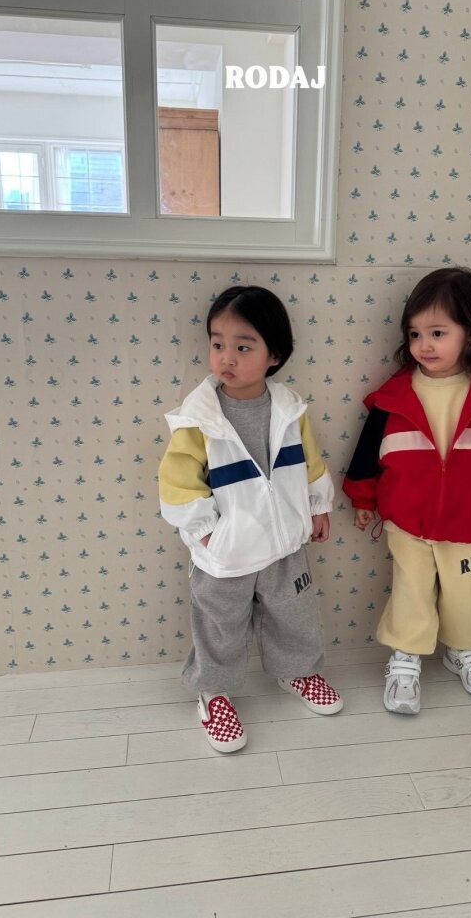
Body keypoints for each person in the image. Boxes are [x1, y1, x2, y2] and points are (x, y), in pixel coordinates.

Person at [159, 285, 343, 753]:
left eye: (243, 347)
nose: (226, 358)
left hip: (285, 543)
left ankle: (297, 671)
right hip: (227, 551)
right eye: (218, 344)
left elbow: (310, 460)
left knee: (295, 615)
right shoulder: (198, 419)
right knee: (220, 625)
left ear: (273, 355)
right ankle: (213, 693)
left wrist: (318, 506)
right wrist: (206, 534)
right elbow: (178, 482)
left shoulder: (289, 408)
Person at [343, 267, 471, 715]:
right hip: (407, 520)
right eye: (415, 334)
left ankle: (464, 649)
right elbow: (368, 452)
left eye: (437, 333)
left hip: (469, 521)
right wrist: (363, 499)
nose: (423, 345)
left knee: (466, 591)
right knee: (411, 589)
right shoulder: (393, 396)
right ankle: (405, 655)